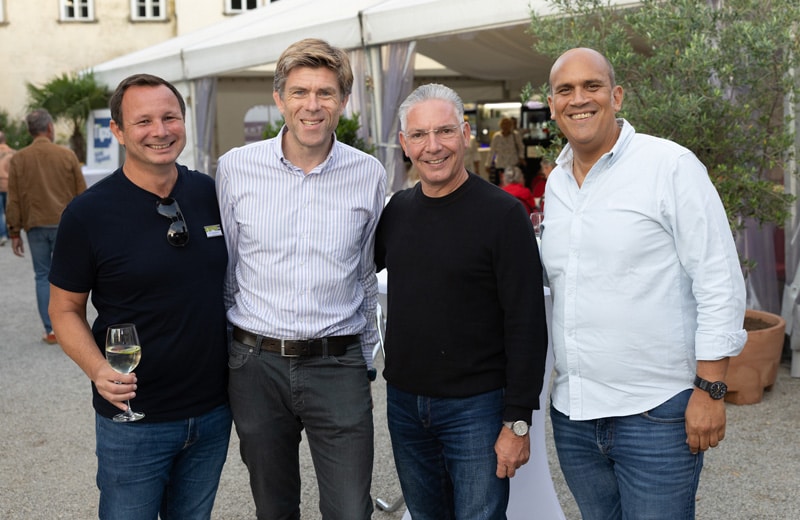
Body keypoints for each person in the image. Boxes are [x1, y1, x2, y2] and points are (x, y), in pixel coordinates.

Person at [541, 48, 747, 520]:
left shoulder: (670, 165)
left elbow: (718, 278)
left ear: (616, 96)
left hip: (657, 413)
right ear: (552, 106)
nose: (579, 99)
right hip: (575, 416)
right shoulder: (556, 184)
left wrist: (711, 388)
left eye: (592, 86)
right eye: (565, 90)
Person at [216, 38, 386, 520]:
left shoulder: (368, 174)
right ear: (279, 98)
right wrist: (234, 356)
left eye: (325, 93)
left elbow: (365, 272)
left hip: (338, 362)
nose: (312, 105)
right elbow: (228, 269)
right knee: (274, 509)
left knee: (350, 510)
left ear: (344, 101)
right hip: (256, 365)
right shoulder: (235, 169)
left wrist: (364, 359)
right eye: (299, 92)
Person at [48, 74, 231, 519]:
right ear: (118, 131)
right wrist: (97, 369)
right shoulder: (87, 214)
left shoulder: (211, 193)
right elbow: (65, 309)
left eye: (170, 117)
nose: (160, 131)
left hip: (212, 410)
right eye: (143, 121)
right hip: (134, 417)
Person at [374, 83, 548, 520]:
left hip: (477, 408)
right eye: (419, 135)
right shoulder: (396, 212)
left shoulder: (503, 216)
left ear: (466, 134)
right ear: (404, 144)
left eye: (445, 131)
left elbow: (527, 323)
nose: (433, 146)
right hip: (405, 405)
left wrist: (517, 421)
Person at [6, 109, 85, 344]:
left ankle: (51, 330)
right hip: (66, 224)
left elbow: (14, 198)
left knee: (42, 275)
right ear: (50, 128)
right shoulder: (67, 155)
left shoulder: (19, 159)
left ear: (30, 131)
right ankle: (73, 327)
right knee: (71, 277)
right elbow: (82, 194)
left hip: (35, 224)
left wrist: (14, 231)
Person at [485, 117, 525, 185]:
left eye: (507, 124)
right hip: (500, 165)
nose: (505, 126)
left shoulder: (515, 135)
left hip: (513, 164)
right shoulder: (497, 136)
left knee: (513, 184)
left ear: (510, 125)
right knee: (500, 184)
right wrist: (488, 164)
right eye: (503, 124)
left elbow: (521, 147)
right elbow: (492, 151)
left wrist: (521, 157)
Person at [0, 130, 15, 245]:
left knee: (0, 213)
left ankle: (3, 235)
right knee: (9, 211)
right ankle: (11, 232)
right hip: (10, 185)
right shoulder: (13, 153)